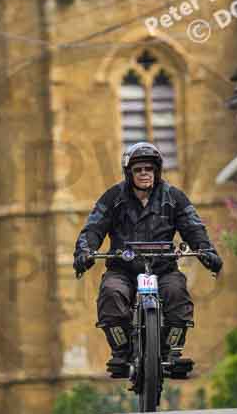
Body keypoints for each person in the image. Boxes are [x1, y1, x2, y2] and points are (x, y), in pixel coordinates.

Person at [73, 141, 223, 377]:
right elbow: (94, 227)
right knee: (111, 293)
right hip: (123, 269)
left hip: (163, 269)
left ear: (157, 171)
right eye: (138, 169)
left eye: (149, 169)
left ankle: (172, 350)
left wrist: (206, 251)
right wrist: (84, 250)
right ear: (129, 173)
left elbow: (194, 227)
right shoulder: (113, 197)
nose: (144, 174)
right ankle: (121, 352)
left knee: (177, 292)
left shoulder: (174, 197)